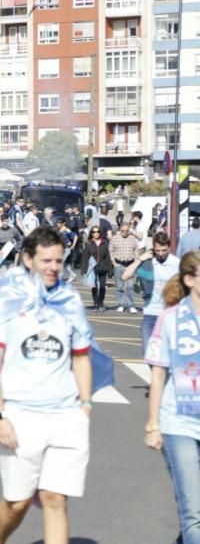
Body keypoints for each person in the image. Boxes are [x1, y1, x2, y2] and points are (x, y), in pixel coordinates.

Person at [0, 227, 95, 544]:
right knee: (16, 502)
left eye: (58, 260)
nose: (54, 267)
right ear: (28, 259)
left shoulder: (70, 299)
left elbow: (81, 356)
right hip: (20, 413)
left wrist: (85, 404)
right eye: (46, 260)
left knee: (56, 500)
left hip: (65, 414)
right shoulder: (8, 299)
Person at [143, 250, 200, 544]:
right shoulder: (170, 318)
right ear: (190, 280)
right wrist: (153, 425)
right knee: (194, 512)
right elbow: (157, 374)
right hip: (179, 422)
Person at [109, 222, 139, 313]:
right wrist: (114, 263)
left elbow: (136, 251)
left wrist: (136, 263)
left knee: (130, 286)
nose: (125, 232)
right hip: (119, 264)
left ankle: (130, 305)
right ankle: (121, 304)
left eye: (126, 231)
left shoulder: (133, 238)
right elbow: (111, 251)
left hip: (130, 265)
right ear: (120, 230)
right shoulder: (114, 238)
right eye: (123, 231)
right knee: (119, 286)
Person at [81, 226, 112, 312]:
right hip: (93, 268)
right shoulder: (88, 244)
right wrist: (84, 270)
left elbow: (108, 257)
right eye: (94, 232)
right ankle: (95, 303)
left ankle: (100, 303)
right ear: (91, 233)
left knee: (102, 287)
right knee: (94, 286)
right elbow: (85, 258)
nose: (96, 233)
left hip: (103, 267)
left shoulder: (104, 243)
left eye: (98, 231)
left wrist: (110, 270)